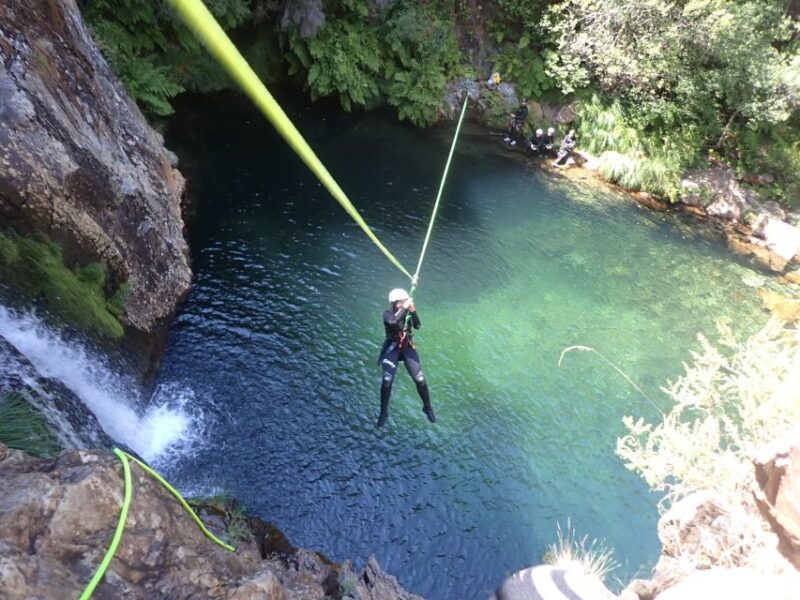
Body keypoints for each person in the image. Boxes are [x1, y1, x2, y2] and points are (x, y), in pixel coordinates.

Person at [377, 288, 436, 427]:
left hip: (406, 347)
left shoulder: (407, 312)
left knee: (420, 379)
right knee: (387, 380)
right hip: (392, 348)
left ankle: (427, 408)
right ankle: (383, 412)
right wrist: (405, 307)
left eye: (403, 301)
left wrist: (413, 310)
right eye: (399, 302)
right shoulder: (388, 314)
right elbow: (392, 322)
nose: (402, 304)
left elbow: (418, 326)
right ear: (393, 303)